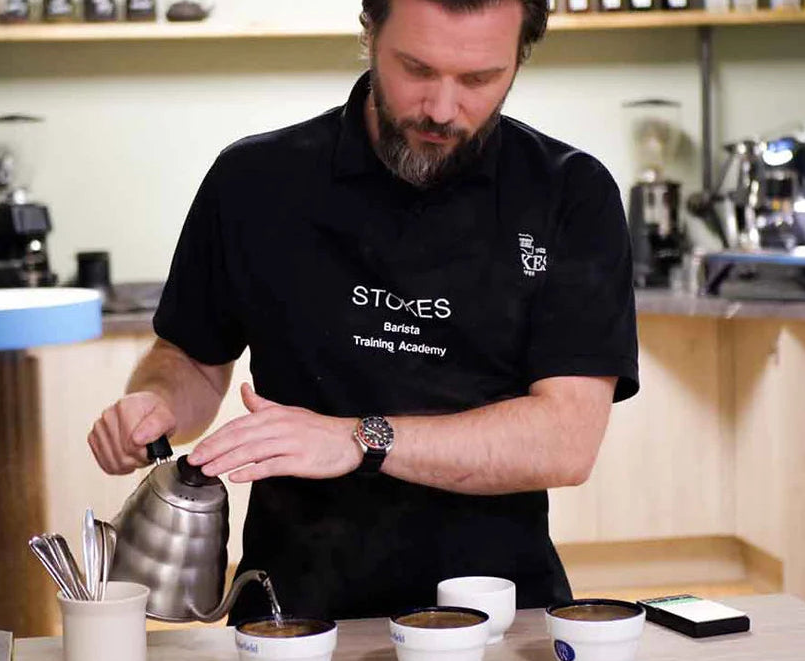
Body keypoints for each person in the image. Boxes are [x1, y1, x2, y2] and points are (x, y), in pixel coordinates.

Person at [88, 0, 639, 623]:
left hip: (498, 613)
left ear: (519, 60)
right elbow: (190, 358)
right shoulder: (255, 180)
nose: (440, 108)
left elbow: (565, 441)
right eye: (416, 69)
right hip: (293, 614)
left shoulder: (570, 194)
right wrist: (156, 406)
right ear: (370, 32)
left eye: (479, 80)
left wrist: (358, 439)